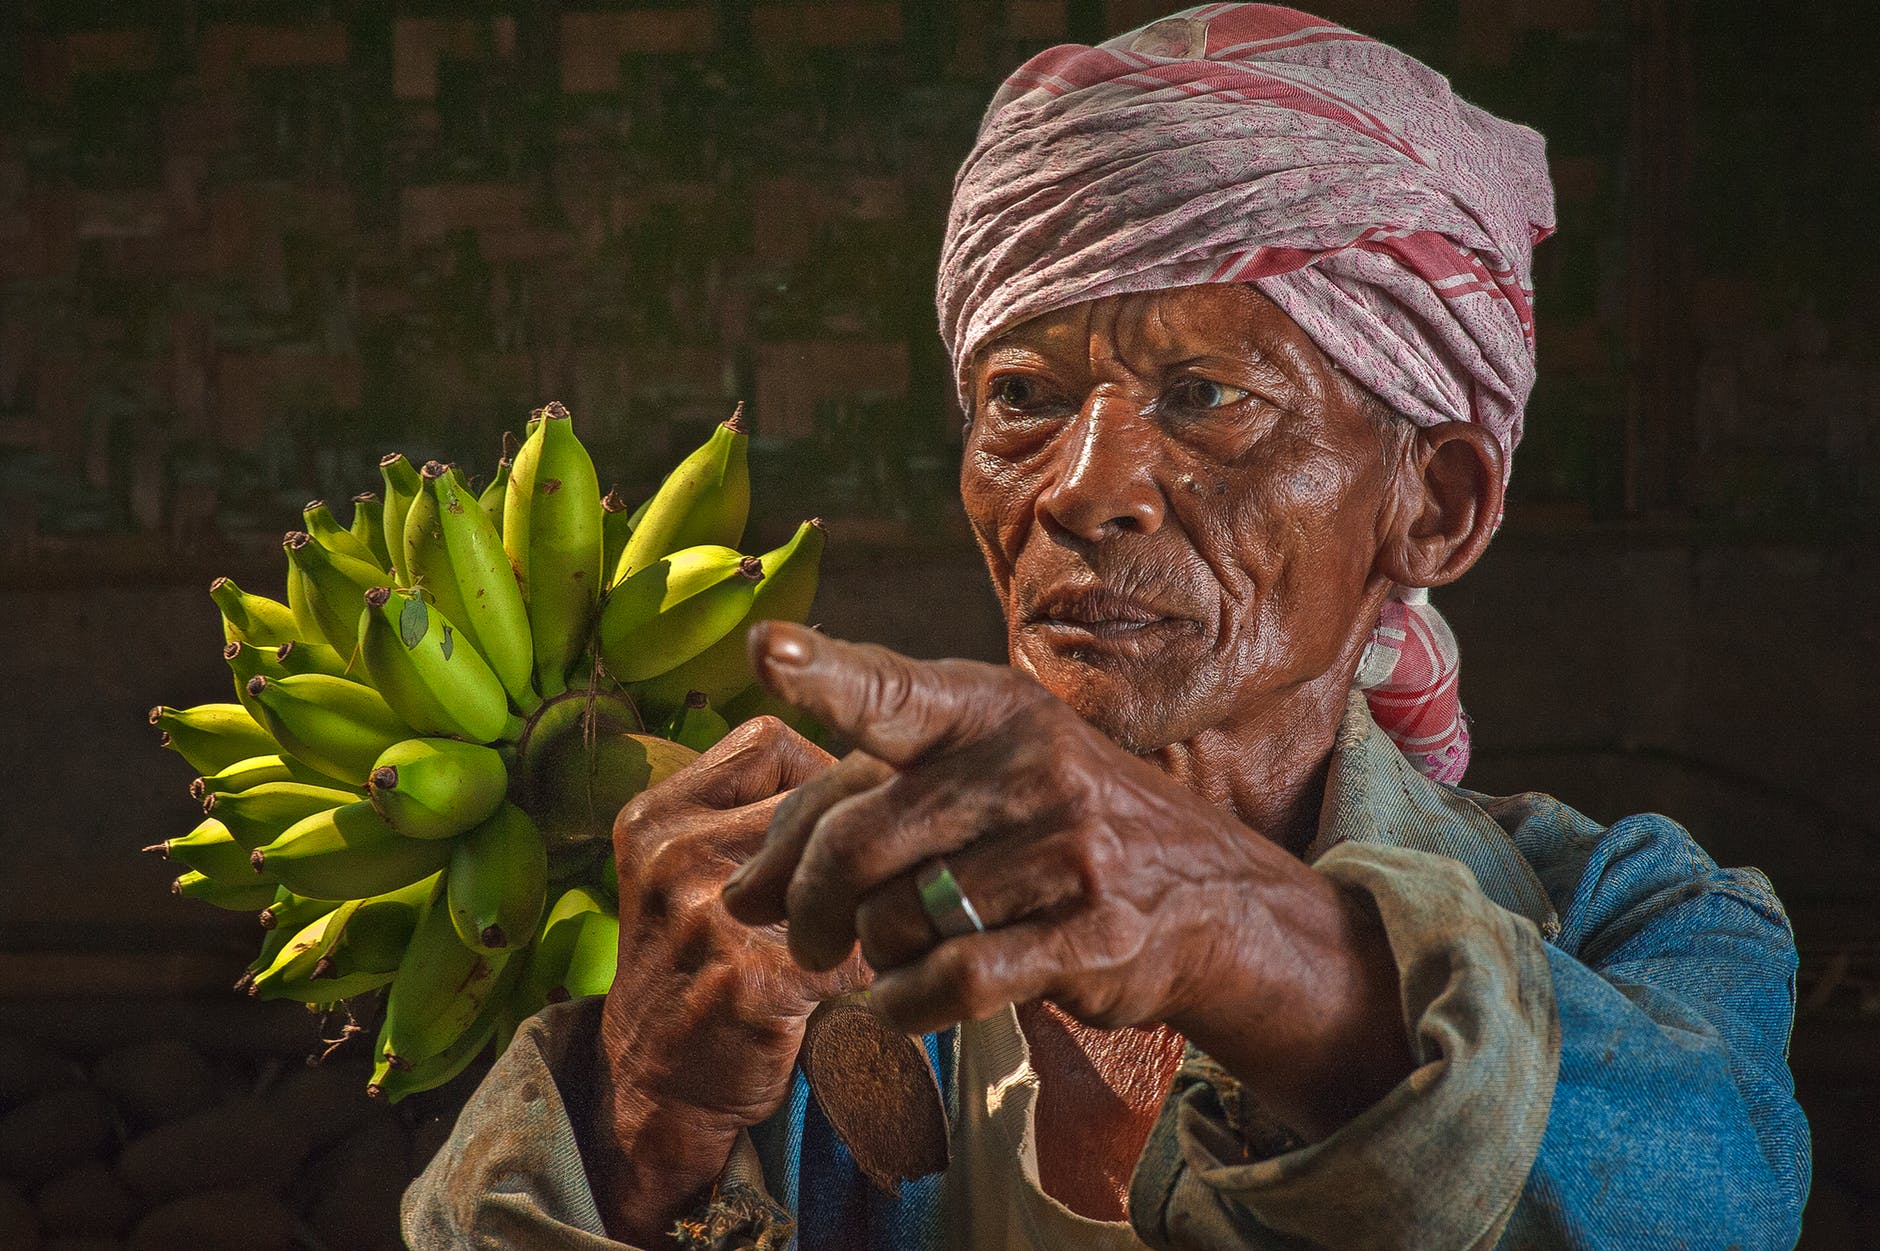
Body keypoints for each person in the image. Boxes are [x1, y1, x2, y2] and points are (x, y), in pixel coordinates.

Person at [404, 6, 1809, 1249]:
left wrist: (1223, 924)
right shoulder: (806, 968)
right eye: (1022, 398)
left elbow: (1712, 1205)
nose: (1080, 490)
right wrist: (647, 1129)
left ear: (1433, 504)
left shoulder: (1635, 919)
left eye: (1206, 397)